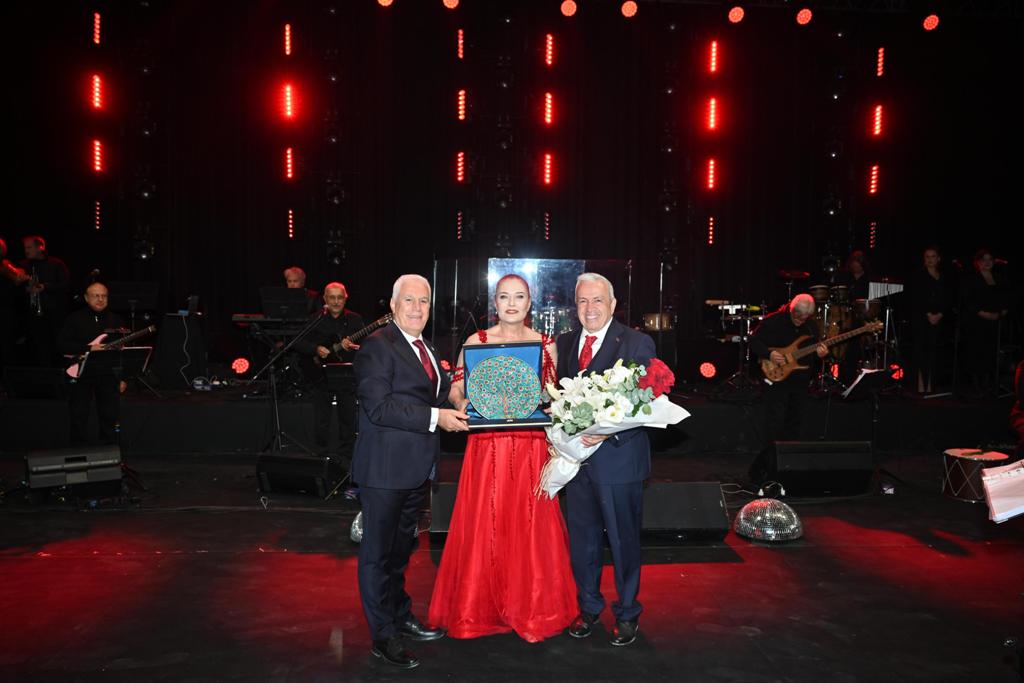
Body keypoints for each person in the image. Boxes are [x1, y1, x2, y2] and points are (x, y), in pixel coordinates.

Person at [428, 274, 576, 642]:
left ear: (530, 303)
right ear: (495, 303)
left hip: (530, 445)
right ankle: (480, 606)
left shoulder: (546, 344)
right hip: (487, 445)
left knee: (530, 524)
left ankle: (532, 606)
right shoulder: (476, 341)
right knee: (486, 521)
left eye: (519, 297)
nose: (512, 304)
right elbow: (456, 388)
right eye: (504, 297)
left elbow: (553, 395)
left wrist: (547, 400)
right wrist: (463, 402)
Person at [352, 273, 469, 669]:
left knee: (401, 552)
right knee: (377, 556)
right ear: (392, 305)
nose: (417, 308)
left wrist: (461, 400)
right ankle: (382, 635)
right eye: (409, 300)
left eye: (424, 301)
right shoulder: (377, 346)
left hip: (416, 471)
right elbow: (379, 407)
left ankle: (399, 615)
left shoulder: (427, 347)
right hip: (384, 471)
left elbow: (439, 394)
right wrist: (438, 417)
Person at [555, 272, 655, 647]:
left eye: (598, 300)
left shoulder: (636, 342)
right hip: (577, 462)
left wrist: (609, 430)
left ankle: (628, 613)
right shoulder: (565, 343)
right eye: (583, 301)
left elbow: (647, 400)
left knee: (623, 542)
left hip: (619, 461)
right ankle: (588, 608)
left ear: (612, 305)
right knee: (583, 542)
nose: (590, 308)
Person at [747, 294, 828, 483]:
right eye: (798, 316)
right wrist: (769, 353)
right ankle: (769, 467)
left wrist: (821, 354)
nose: (801, 320)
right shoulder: (773, 321)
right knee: (774, 423)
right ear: (792, 309)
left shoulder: (811, 326)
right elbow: (754, 342)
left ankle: (789, 465)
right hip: (777, 381)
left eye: (805, 317)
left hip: (800, 382)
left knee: (795, 423)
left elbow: (814, 353)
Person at [292, 282, 365, 467]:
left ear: (345, 299)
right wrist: (315, 349)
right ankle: (321, 455)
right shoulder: (316, 319)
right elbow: (297, 342)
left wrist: (354, 346)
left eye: (340, 297)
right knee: (322, 417)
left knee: (347, 416)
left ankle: (346, 458)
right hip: (321, 374)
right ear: (325, 299)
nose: (336, 301)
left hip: (346, 374)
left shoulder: (355, 320)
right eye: (332, 297)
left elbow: (366, 346)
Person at [57, 282, 125, 444]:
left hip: (107, 374)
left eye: (104, 296)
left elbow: (121, 352)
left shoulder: (116, 320)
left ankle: (108, 451)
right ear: (86, 298)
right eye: (96, 296)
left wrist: (122, 377)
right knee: (78, 416)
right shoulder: (74, 318)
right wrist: (89, 348)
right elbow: (61, 345)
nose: (100, 299)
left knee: (110, 416)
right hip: (80, 373)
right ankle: (78, 451)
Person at [961, 248, 1010, 397]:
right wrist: (984, 313)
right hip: (977, 321)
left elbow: (1007, 296)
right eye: (983, 259)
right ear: (977, 262)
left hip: (995, 321)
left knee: (991, 352)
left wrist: (1003, 311)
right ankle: (976, 386)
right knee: (977, 352)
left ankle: (988, 384)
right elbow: (968, 300)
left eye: (990, 259)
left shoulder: (999, 278)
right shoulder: (972, 279)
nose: (987, 262)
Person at [908, 246, 953, 394]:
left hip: (938, 317)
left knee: (934, 351)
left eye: (933, 256)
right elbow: (916, 297)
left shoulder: (944, 277)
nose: (930, 259)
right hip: (921, 318)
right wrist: (928, 314)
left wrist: (940, 314)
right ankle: (920, 385)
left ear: (938, 259)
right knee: (921, 350)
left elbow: (948, 297)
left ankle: (931, 385)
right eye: (927, 257)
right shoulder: (918, 275)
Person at [20, 235, 69, 366]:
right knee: (38, 347)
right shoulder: (23, 265)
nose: (26, 251)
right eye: (25, 248)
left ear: (40, 247)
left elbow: (65, 285)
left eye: (29, 247)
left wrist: (45, 287)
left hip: (54, 313)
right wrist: (26, 289)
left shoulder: (56, 264)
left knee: (56, 344)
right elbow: (16, 289)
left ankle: (59, 372)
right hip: (33, 314)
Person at [1, 238, 29, 373]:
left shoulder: (4, 264)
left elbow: (19, 278)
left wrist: (19, 272)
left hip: (4, 309)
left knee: (5, 343)